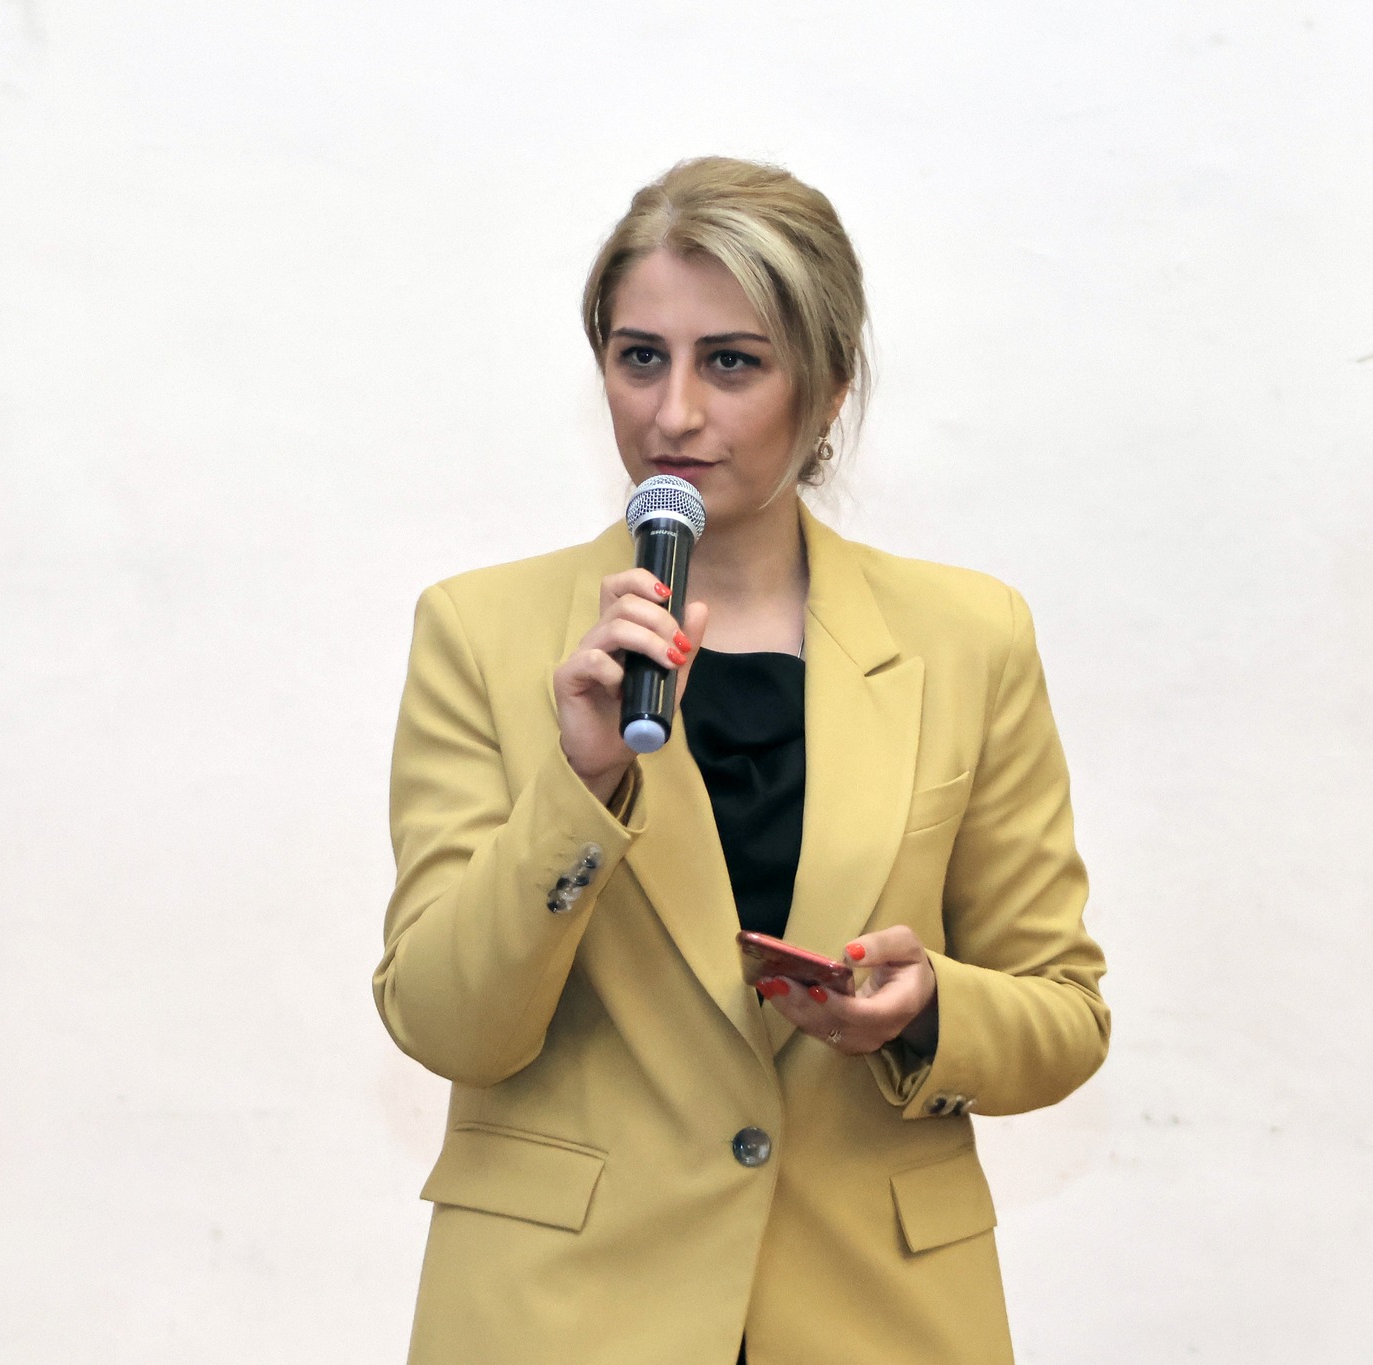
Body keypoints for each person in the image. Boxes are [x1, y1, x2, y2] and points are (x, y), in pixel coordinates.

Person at [373, 157, 1110, 1365]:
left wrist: (925, 1012)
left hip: (875, 1320)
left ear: (826, 385)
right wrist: (580, 788)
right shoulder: (481, 631)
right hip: (561, 1321)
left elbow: (1063, 1014)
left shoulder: (968, 638)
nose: (672, 414)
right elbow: (448, 1025)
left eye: (730, 362)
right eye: (638, 357)